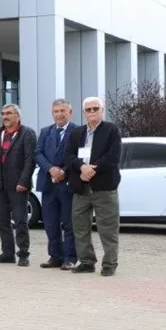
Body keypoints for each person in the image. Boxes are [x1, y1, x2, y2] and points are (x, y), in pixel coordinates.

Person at [64, 96, 122, 277]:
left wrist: (91, 170)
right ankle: (87, 262)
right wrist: (82, 167)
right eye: (88, 109)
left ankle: (109, 264)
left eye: (95, 108)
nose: (91, 112)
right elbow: (68, 155)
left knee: (108, 229)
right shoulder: (77, 133)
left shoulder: (111, 130)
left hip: (104, 188)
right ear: (84, 113)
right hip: (81, 188)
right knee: (80, 227)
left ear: (102, 110)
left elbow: (113, 157)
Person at [0, 103, 37, 267]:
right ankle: (8, 253)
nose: (5, 116)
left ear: (18, 116)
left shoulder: (27, 133)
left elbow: (30, 160)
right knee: (1, 220)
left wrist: (24, 181)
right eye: (3, 113)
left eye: (9, 113)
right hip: (0, 185)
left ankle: (23, 254)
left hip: (18, 186)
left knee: (20, 220)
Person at [35, 98, 78, 270]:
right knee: (50, 223)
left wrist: (63, 171)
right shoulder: (45, 131)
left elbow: (78, 156)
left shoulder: (77, 131)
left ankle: (70, 258)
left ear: (70, 113)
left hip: (67, 183)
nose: (59, 114)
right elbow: (38, 153)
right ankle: (55, 256)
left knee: (69, 223)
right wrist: (50, 169)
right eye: (56, 111)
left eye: (62, 111)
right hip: (48, 184)